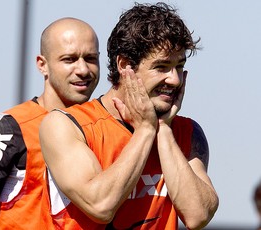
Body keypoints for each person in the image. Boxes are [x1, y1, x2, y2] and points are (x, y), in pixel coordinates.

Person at [39, 2, 219, 230]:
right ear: (125, 66)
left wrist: (162, 128)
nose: (174, 79)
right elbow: (101, 205)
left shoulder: (186, 131)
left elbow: (198, 215)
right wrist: (145, 131)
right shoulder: (66, 125)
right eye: (161, 67)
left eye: (179, 66)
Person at [0, 17, 100, 229]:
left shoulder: (106, 126)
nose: (82, 69)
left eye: (90, 58)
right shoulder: (8, 128)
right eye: (69, 59)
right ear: (42, 65)